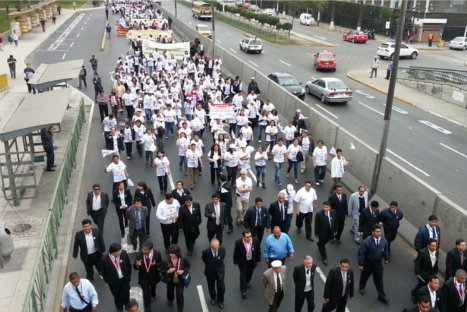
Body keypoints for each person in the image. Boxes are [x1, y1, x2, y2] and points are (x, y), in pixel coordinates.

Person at [358, 225, 390, 305]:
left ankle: (382, 296)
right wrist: (361, 264)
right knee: (364, 276)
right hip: (368, 264)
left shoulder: (384, 241)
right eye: (377, 232)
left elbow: (386, 250)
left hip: (378, 264)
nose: (379, 233)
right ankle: (362, 287)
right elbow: (361, 253)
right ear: (372, 232)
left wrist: (386, 258)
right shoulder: (367, 241)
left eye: (380, 231)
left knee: (379, 281)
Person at [100, 243, 132, 312]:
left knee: (126, 294)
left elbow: (128, 265)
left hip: (124, 280)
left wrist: (128, 276)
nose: (121, 251)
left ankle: (127, 306)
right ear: (113, 252)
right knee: (117, 296)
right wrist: (107, 281)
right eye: (119, 250)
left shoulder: (124, 254)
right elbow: (103, 272)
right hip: (113, 282)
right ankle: (119, 308)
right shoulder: (104, 259)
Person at [133, 240, 162, 312]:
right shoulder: (139, 255)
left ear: (151, 249)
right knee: (146, 294)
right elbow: (135, 267)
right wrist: (137, 265)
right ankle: (148, 309)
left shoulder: (157, 254)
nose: (144, 251)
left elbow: (160, 264)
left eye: (146, 250)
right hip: (143, 277)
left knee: (153, 287)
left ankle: (153, 294)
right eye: (143, 249)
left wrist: (154, 265)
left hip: (153, 276)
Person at [160, 245, 191, 311]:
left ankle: (180, 310)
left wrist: (183, 271)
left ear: (177, 253)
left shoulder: (183, 259)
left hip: (180, 279)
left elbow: (188, 266)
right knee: (170, 291)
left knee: (180, 295)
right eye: (170, 253)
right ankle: (170, 299)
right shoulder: (166, 260)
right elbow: (161, 270)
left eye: (172, 254)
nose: (170, 255)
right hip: (170, 279)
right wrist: (168, 271)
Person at [233, 230, 261, 299]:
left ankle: (247, 281)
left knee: (249, 273)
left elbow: (258, 250)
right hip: (243, 262)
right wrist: (235, 262)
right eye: (247, 237)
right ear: (243, 237)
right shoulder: (238, 242)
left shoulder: (255, 240)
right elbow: (236, 252)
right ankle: (243, 291)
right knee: (242, 276)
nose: (249, 238)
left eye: (250, 236)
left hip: (252, 261)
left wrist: (258, 260)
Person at [202, 239, 226, 309]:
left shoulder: (222, 249)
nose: (217, 249)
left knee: (221, 288)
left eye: (218, 247)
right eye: (215, 248)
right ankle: (213, 297)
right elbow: (204, 260)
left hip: (220, 272)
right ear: (211, 247)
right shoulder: (206, 252)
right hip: (210, 272)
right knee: (211, 286)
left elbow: (223, 257)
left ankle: (220, 301)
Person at [314, 201, 337, 266]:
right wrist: (316, 233)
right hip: (322, 232)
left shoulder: (333, 212)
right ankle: (324, 258)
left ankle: (319, 244)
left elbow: (335, 221)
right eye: (324, 207)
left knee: (325, 241)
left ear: (330, 207)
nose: (325, 208)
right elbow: (317, 225)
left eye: (327, 207)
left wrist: (336, 229)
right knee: (322, 245)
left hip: (330, 232)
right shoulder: (319, 214)